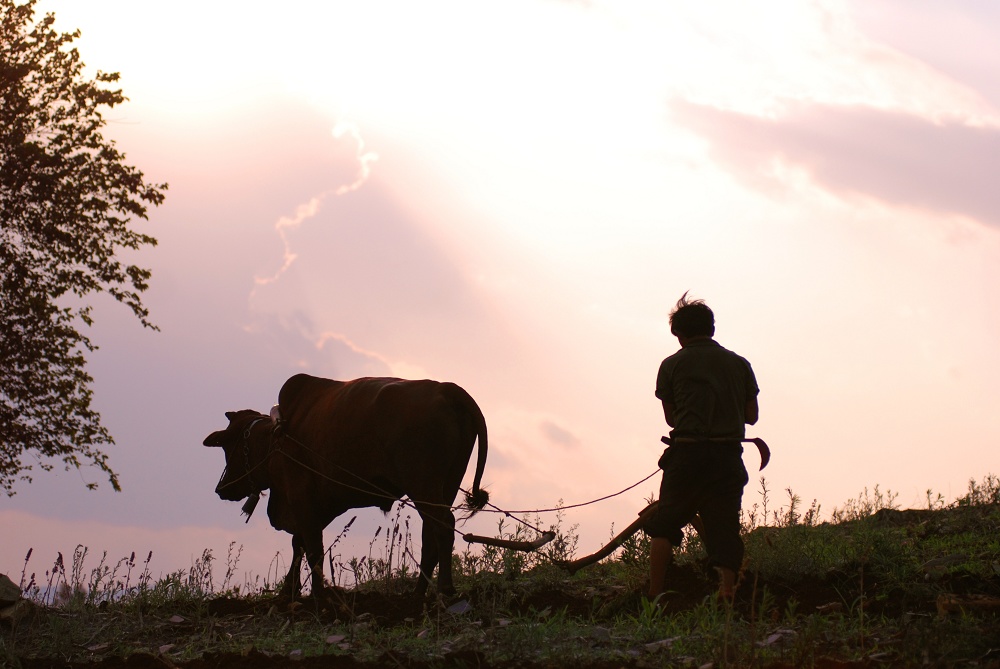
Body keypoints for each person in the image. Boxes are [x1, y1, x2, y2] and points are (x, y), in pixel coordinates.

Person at [645, 292, 759, 601]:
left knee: (664, 525)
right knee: (724, 530)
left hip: (686, 455)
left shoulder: (671, 365)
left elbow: (672, 418)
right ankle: (727, 594)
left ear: (678, 335)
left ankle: (654, 595)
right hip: (727, 457)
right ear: (712, 328)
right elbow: (752, 416)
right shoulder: (740, 364)